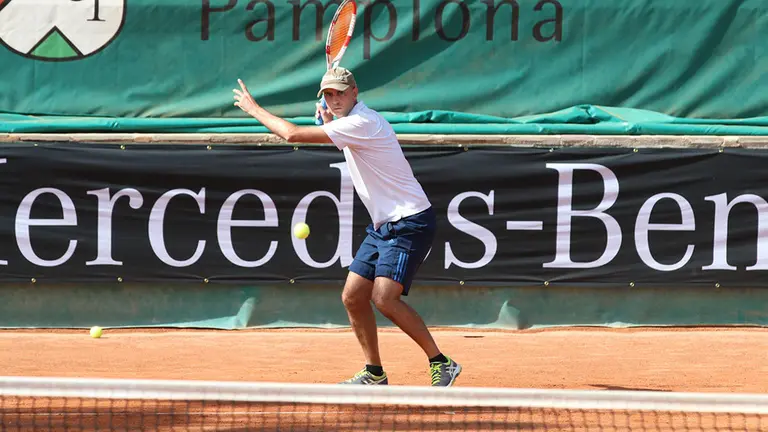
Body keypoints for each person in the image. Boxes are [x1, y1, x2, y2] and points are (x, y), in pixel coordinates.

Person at [232, 67, 461, 387]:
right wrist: (330, 122)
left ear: (355, 91)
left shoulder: (364, 121)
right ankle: (374, 373)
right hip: (383, 224)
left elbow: (293, 135)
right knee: (353, 296)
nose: (335, 99)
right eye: (328, 94)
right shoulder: (351, 123)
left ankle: (441, 362)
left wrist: (254, 109)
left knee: (384, 298)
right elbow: (345, 141)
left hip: (409, 222)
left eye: (340, 92)